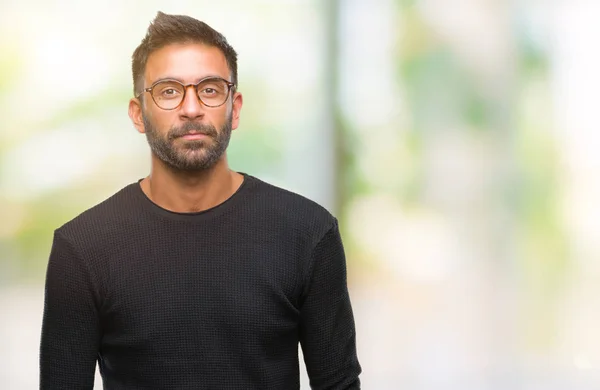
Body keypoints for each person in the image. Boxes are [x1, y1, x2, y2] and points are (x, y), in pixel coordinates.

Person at [39, 11, 361, 390]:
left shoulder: (307, 233)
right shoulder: (83, 248)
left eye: (209, 89)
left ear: (234, 107)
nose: (191, 109)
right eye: (169, 91)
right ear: (138, 114)